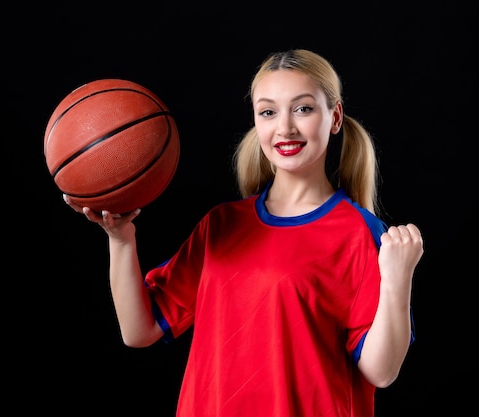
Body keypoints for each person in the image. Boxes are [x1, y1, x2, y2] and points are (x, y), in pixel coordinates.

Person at [62, 49, 424, 417]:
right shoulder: (221, 225)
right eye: (268, 112)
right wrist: (121, 238)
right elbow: (138, 331)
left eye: (303, 108)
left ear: (335, 117)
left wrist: (398, 278)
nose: (285, 128)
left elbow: (381, 372)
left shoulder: (359, 233)